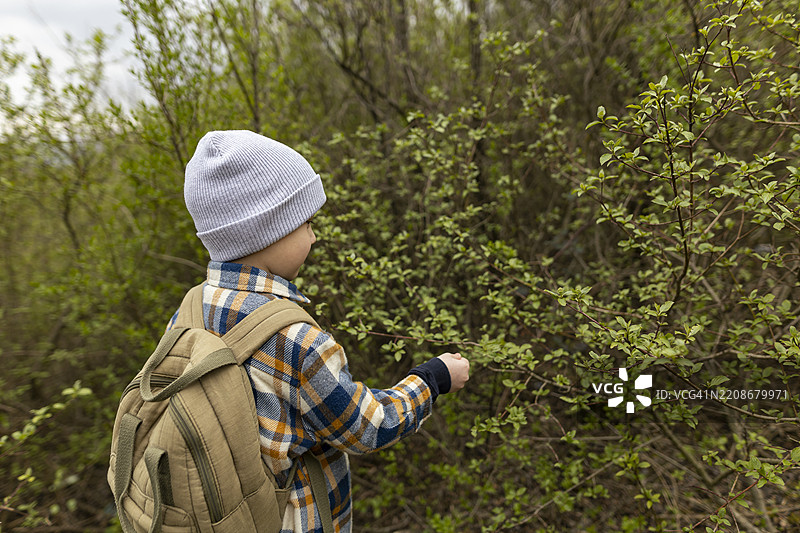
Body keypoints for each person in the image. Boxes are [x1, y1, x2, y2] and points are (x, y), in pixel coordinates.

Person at [173, 130, 470, 532]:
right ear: (267, 230)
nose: (314, 235)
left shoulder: (192, 306)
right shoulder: (293, 339)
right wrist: (432, 379)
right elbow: (367, 427)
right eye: (306, 222)